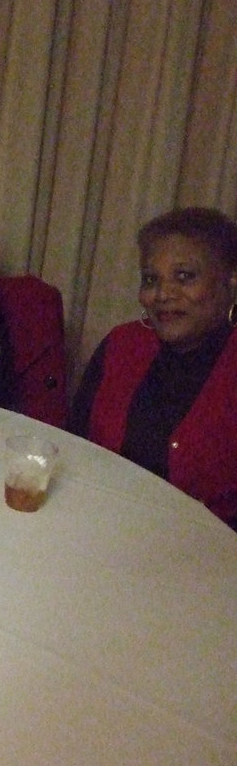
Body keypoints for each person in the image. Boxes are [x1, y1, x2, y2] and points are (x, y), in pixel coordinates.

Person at [69, 207, 237, 528]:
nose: (163, 294)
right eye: (151, 279)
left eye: (184, 276)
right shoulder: (122, 344)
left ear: (230, 282)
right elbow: (74, 446)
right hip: (97, 527)